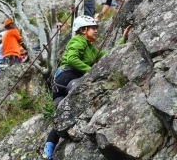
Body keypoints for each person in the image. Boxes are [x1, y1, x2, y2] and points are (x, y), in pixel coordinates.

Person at [39, 15, 132, 160]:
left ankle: (47, 153)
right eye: (93, 28)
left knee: (62, 116)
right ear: (83, 30)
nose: (96, 31)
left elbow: (105, 55)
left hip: (59, 86)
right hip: (68, 78)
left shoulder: (90, 48)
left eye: (96, 28)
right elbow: (71, 59)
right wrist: (90, 71)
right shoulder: (79, 40)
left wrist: (123, 40)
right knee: (84, 99)